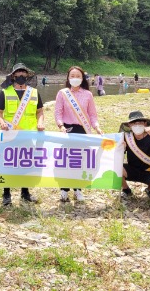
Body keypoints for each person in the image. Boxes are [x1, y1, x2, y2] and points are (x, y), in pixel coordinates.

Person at [0, 63, 43, 206]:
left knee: (26, 164)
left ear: (27, 76)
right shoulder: (5, 92)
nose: (21, 75)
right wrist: (1, 123)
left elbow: (40, 112)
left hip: (29, 135)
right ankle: (6, 194)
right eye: (18, 73)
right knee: (8, 164)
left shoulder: (34, 92)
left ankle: (25, 193)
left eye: (24, 73)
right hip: (10, 135)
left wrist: (40, 123)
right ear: (13, 75)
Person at [55, 66, 103, 202]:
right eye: (72, 76)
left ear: (82, 78)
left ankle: (78, 189)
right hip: (67, 131)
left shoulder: (88, 94)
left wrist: (97, 127)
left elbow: (92, 115)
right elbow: (58, 112)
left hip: (83, 131)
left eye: (78, 76)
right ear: (68, 78)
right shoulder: (62, 93)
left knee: (80, 161)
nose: (75, 78)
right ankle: (64, 189)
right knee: (65, 161)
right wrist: (61, 125)